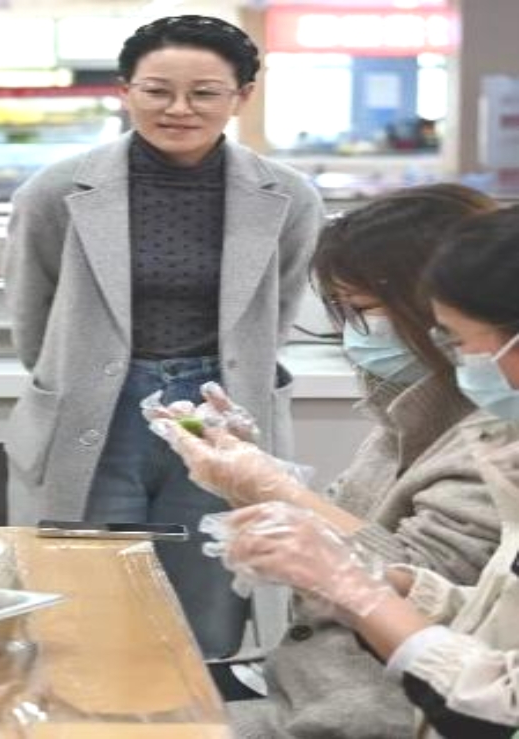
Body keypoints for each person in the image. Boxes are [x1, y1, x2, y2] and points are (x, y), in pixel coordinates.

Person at [2, 14, 325, 658]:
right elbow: (32, 313)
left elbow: (278, 310)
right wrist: (82, 374)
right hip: (97, 411)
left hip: (220, 414)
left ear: (241, 97)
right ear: (125, 91)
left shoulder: (288, 196)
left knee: (207, 608)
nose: (179, 109)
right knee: (87, 606)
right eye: (157, 90)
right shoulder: (56, 191)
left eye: (204, 92)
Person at [147, 184, 502, 736]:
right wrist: (242, 475)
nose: (350, 334)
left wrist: (274, 490)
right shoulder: (406, 414)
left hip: (372, 712)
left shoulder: (493, 444)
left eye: (361, 310)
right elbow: (355, 542)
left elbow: (421, 591)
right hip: (307, 686)